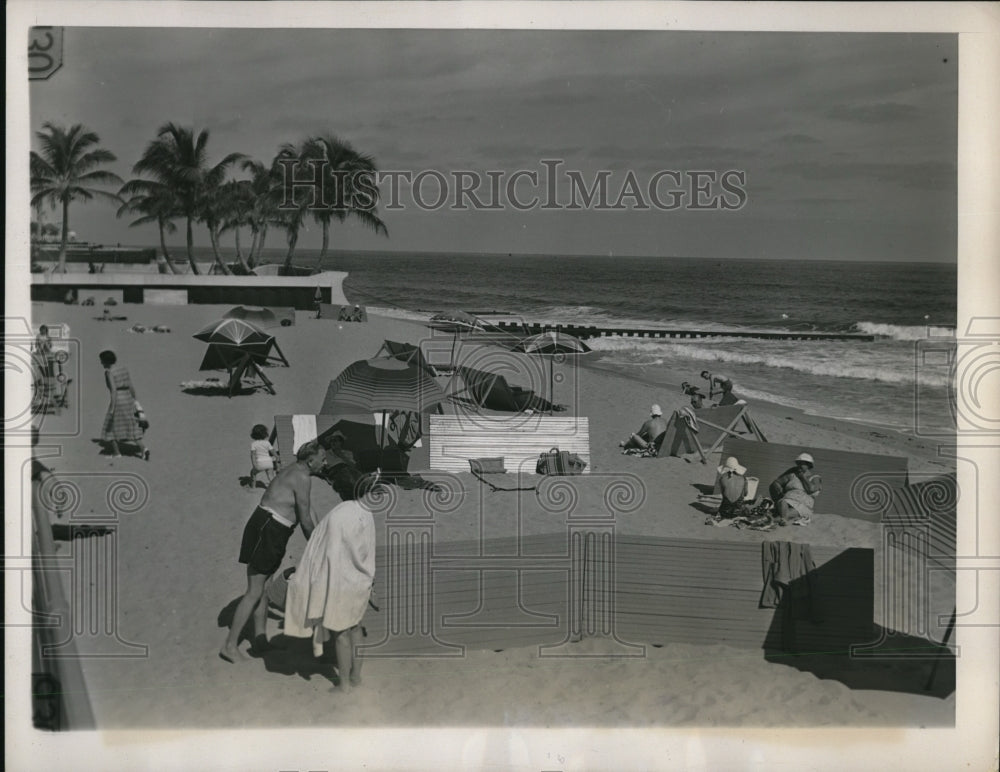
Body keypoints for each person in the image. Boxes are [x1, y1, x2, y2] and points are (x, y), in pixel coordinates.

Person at [219, 440, 326, 663]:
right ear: (310, 460)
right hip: (269, 530)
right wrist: (318, 546)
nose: (324, 463)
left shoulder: (295, 470)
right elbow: (305, 519)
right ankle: (229, 645)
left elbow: (308, 509)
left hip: (269, 528)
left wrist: (319, 534)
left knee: (264, 589)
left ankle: (259, 641)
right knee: (254, 591)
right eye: (322, 459)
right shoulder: (302, 478)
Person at [283, 465, 378, 693]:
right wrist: (370, 581)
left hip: (340, 582)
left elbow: (329, 554)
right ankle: (356, 675)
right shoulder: (365, 511)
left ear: (338, 489)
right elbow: (368, 549)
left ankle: (343, 683)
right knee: (356, 629)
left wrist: (315, 581)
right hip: (360, 579)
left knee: (341, 634)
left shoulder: (337, 516)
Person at [99, 350, 148, 460]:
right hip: (128, 398)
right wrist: (135, 400)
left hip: (119, 400)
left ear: (106, 361)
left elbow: (113, 391)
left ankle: (117, 453)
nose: (101, 363)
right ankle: (143, 449)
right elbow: (131, 385)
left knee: (111, 427)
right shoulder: (123, 369)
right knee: (131, 425)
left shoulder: (109, 372)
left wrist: (112, 408)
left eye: (102, 361)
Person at [768, 452, 822, 523]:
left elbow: (810, 489)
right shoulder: (792, 474)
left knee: (787, 514)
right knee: (783, 502)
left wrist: (802, 477)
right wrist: (779, 495)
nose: (799, 466)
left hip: (803, 506)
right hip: (786, 502)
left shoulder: (815, 478)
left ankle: (777, 520)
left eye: (802, 464)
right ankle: (781, 519)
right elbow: (775, 483)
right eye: (798, 463)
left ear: (808, 465)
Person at [248, 423, 278, 488]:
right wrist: (277, 457)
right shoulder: (267, 443)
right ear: (265, 434)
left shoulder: (254, 444)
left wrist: (254, 464)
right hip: (269, 462)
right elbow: (273, 451)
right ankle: (274, 487)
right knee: (271, 476)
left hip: (260, 463)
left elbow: (252, 455)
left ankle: (253, 486)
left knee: (253, 473)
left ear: (253, 435)